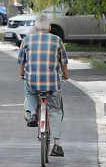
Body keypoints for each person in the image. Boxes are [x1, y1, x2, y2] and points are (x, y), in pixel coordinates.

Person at [17, 14, 69, 157]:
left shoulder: (27, 40)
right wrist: (66, 75)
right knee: (56, 110)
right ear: (50, 28)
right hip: (52, 83)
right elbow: (63, 62)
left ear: (35, 28)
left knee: (29, 91)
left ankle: (33, 113)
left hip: (32, 81)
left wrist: (23, 74)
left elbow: (21, 60)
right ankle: (57, 145)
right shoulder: (57, 40)